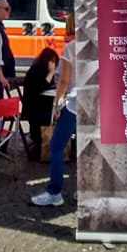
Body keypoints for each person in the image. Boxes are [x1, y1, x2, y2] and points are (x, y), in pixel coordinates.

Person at [31, 13, 77, 206]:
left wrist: (57, 103)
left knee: (57, 146)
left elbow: (65, 81)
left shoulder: (72, 47)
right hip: (98, 105)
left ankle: (55, 192)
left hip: (76, 104)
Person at [22, 47, 59, 161]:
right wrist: (52, 73)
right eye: (52, 61)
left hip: (39, 105)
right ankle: (44, 141)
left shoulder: (41, 71)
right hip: (34, 108)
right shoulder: (36, 72)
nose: (53, 65)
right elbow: (42, 86)